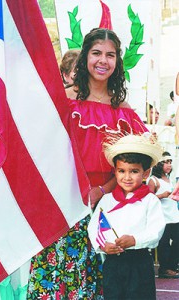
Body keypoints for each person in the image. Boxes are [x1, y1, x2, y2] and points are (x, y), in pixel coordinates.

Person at [27, 28, 149, 299]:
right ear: (85, 57)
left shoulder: (123, 110)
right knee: (56, 281)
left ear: (118, 62)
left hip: (105, 209)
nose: (103, 60)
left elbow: (142, 162)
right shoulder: (61, 99)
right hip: (60, 207)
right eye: (96, 53)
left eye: (110, 55)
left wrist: (103, 191)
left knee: (97, 284)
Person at [88, 133, 165, 300]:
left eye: (134, 171)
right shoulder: (107, 200)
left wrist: (135, 240)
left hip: (139, 262)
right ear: (115, 171)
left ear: (146, 173)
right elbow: (94, 227)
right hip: (113, 262)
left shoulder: (149, 201)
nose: (127, 177)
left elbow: (156, 231)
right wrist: (103, 246)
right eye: (121, 171)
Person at [147, 151, 179, 278]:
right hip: (162, 217)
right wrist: (161, 195)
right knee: (164, 244)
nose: (169, 165)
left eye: (170, 162)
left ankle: (172, 265)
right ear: (159, 164)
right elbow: (147, 199)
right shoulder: (153, 180)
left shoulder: (169, 179)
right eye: (166, 162)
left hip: (174, 216)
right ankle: (165, 268)